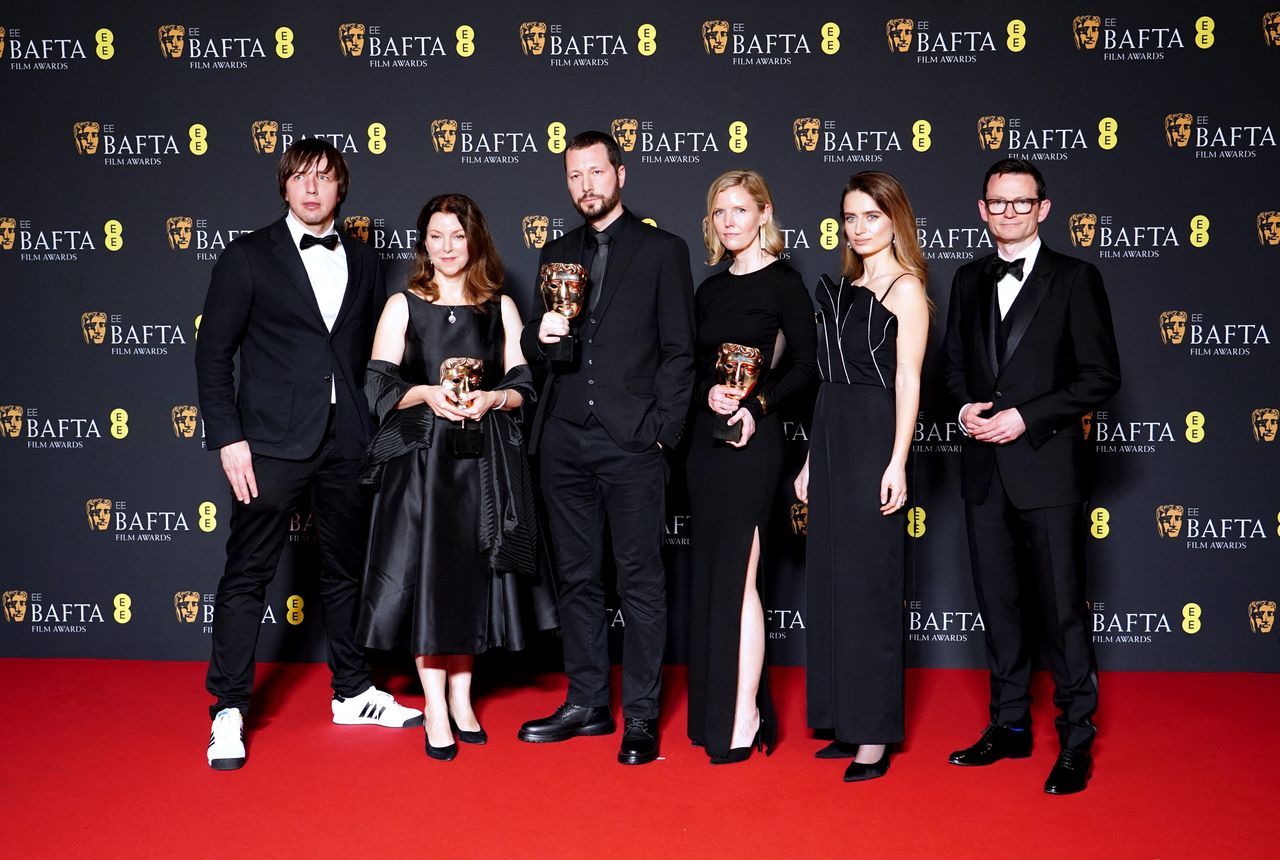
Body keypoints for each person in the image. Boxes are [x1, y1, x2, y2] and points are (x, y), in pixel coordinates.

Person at [195, 139, 421, 772]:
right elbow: (212, 354)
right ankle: (228, 710)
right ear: (284, 187)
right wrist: (228, 437)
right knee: (247, 573)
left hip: (347, 440)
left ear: (341, 188)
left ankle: (352, 691)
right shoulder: (246, 257)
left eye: (324, 178)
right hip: (268, 442)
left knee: (347, 570)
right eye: (300, 178)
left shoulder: (367, 259)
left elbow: (378, 349)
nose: (312, 188)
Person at [942, 158, 1121, 795]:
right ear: (982, 209)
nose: (1009, 211)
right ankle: (1010, 726)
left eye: (1022, 202)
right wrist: (964, 406)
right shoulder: (966, 280)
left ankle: (1076, 741)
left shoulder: (1077, 278)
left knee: (1063, 615)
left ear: (1044, 208)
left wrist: (1027, 418)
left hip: (1047, 471)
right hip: (985, 473)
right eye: (998, 202)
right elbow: (955, 366)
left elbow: (1100, 376)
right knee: (1000, 609)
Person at [356, 193, 556, 761]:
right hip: (421, 463)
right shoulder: (404, 304)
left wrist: (494, 397)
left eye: (458, 236)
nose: (447, 248)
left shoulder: (499, 306)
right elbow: (377, 388)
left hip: (483, 462)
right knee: (427, 578)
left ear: (475, 241)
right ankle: (435, 708)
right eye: (436, 236)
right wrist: (426, 394)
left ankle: (464, 698)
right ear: (424, 241)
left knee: (468, 577)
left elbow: (526, 384)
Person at [517, 130, 696, 766]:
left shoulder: (662, 250)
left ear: (620, 174)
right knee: (576, 577)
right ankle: (589, 701)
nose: (586, 186)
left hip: (632, 441)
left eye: (597, 173)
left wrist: (662, 431)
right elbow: (542, 354)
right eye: (574, 176)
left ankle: (641, 716)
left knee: (641, 579)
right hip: (563, 438)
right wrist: (543, 336)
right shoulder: (554, 250)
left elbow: (681, 351)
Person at [794, 171, 930, 783]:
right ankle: (841, 721)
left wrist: (897, 460)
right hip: (829, 433)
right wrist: (807, 461)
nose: (858, 228)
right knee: (831, 583)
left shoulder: (906, 289)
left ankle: (873, 734)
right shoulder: (847, 285)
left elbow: (908, 380)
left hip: (875, 433)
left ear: (895, 218)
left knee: (872, 588)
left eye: (871, 216)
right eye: (850, 217)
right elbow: (824, 380)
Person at [685, 170, 817, 764]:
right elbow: (690, 370)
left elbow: (808, 367)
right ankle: (718, 709)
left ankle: (745, 713)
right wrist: (709, 396)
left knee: (741, 577)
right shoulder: (709, 291)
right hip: (706, 448)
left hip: (752, 443)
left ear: (764, 213)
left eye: (740, 209)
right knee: (715, 577)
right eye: (719, 212)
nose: (729, 220)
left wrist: (755, 405)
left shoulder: (785, 283)